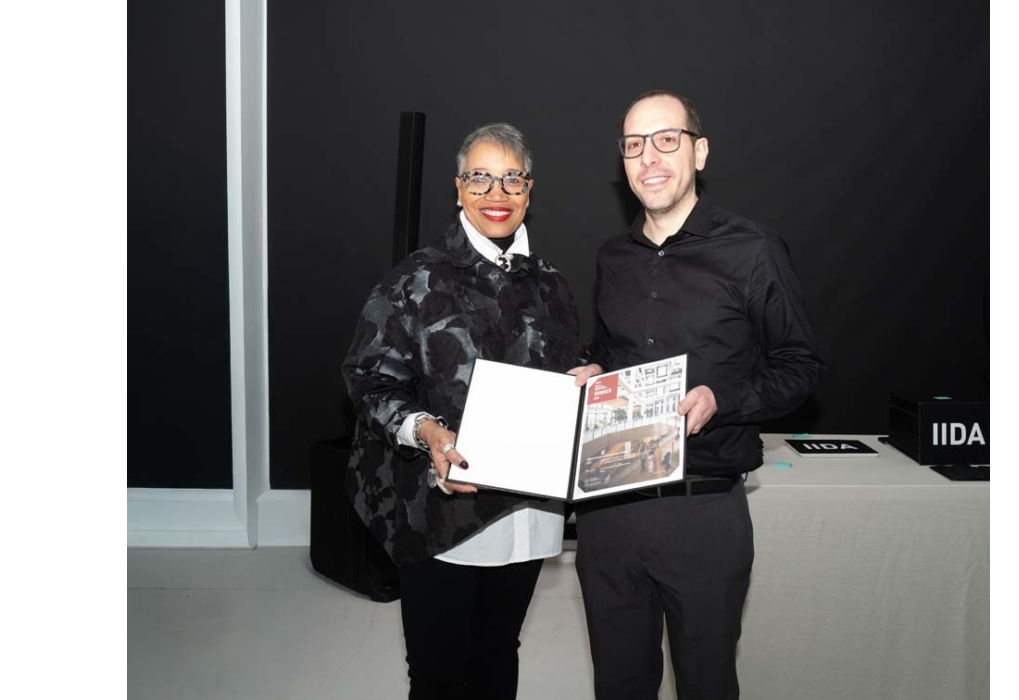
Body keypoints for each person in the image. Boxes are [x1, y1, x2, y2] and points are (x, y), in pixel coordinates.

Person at [567, 90, 826, 699]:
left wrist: (724, 399)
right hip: (609, 509)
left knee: (707, 683)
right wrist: (591, 370)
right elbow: (611, 350)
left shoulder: (753, 250)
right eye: (634, 146)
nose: (649, 158)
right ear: (622, 163)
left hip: (703, 511)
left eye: (666, 140)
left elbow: (800, 365)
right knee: (619, 684)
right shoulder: (614, 258)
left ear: (699, 151)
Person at [343, 123, 581, 700]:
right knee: (438, 668)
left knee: (499, 648)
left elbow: (565, 368)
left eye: (510, 178)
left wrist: (587, 376)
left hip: (527, 508)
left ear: (529, 189)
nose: (495, 192)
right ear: (457, 188)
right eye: (480, 177)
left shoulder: (551, 283)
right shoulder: (415, 279)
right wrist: (426, 430)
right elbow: (368, 377)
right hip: (440, 508)